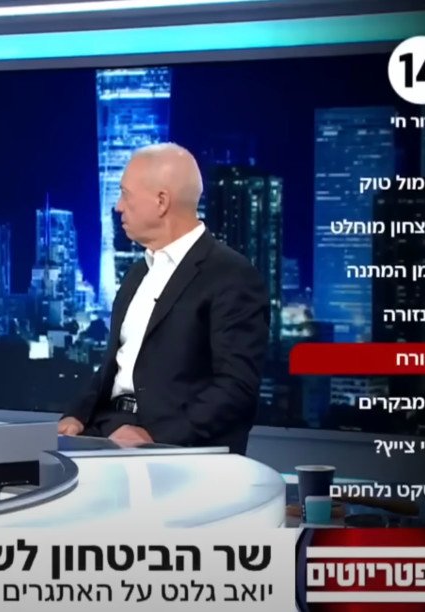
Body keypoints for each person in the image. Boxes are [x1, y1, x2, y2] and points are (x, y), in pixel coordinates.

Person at [59, 143, 269, 454]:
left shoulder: (231, 276)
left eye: (125, 194)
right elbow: (115, 365)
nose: (118, 206)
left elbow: (235, 388)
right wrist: (77, 415)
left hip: (176, 448)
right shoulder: (136, 274)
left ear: (161, 201)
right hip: (107, 431)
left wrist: (154, 436)